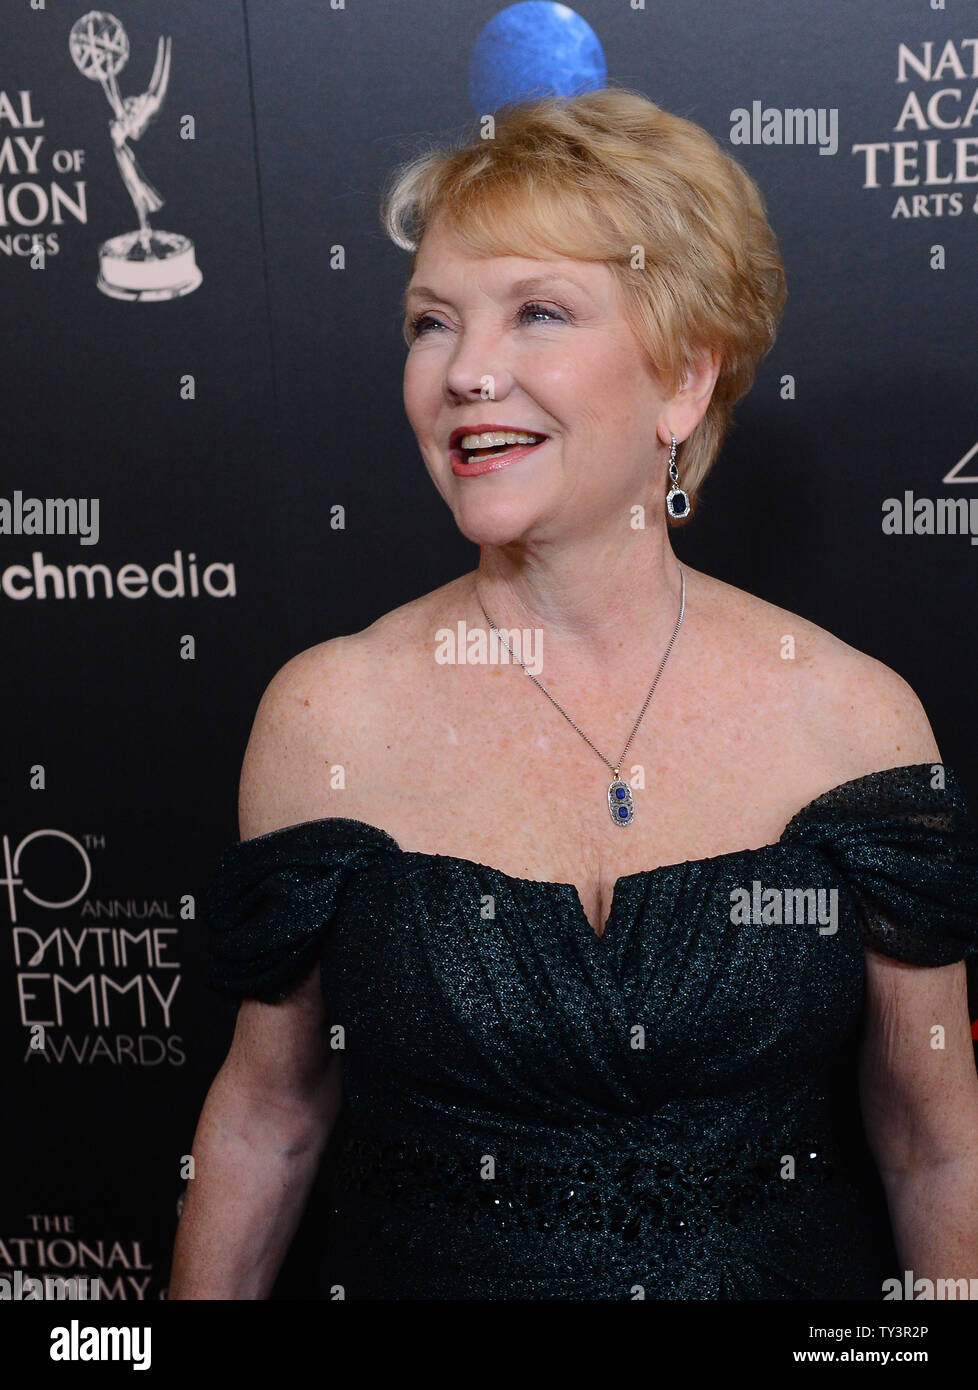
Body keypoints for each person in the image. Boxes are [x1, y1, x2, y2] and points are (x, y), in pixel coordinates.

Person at [169, 86, 978, 1300]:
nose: (466, 373)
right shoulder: (327, 716)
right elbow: (269, 1115)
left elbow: (934, 1143)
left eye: (537, 312)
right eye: (431, 322)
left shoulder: (854, 717)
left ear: (684, 380)